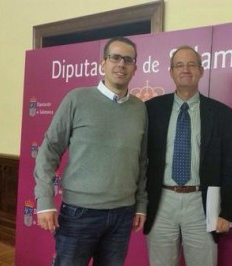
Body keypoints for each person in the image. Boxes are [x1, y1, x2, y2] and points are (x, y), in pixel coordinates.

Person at [33, 36, 148, 266]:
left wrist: (141, 205)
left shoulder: (140, 109)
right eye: (115, 57)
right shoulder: (77, 99)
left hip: (122, 214)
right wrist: (44, 200)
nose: (121, 64)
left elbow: (142, 161)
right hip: (79, 214)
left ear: (135, 68)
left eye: (128, 59)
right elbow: (49, 151)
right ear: (102, 63)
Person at [143, 45, 232, 266]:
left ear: (201, 70)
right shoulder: (151, 109)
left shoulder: (221, 113)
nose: (185, 69)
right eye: (179, 65)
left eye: (191, 64)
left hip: (201, 203)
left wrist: (227, 213)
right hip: (161, 202)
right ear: (171, 72)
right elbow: (140, 161)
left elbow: (230, 166)